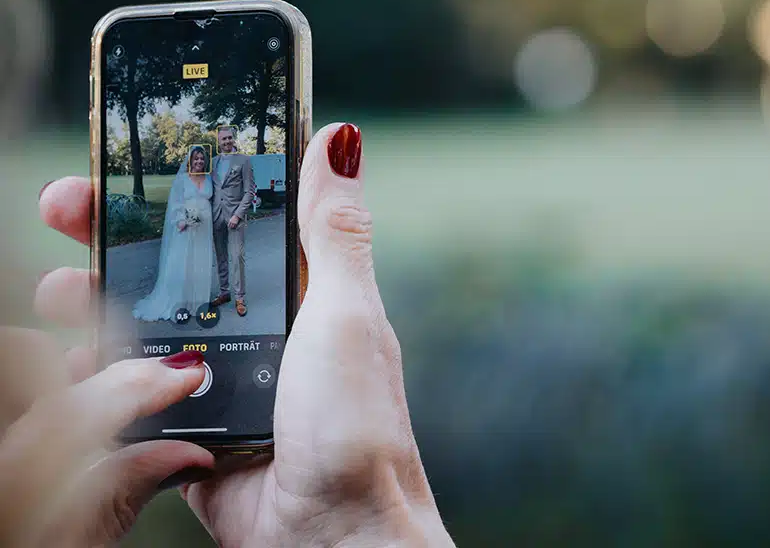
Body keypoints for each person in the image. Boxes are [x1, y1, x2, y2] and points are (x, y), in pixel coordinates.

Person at [7, 123, 455, 546]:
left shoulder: (239, 163)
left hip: (233, 222)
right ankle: (222, 296)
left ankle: (237, 298)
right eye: (214, 143)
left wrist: (353, 526)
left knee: (234, 265)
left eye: (222, 141)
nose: (218, 148)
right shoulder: (208, 171)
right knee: (213, 269)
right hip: (206, 225)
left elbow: (249, 192)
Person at [132, 146, 216, 322]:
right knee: (182, 263)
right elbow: (175, 203)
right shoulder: (182, 180)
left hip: (204, 229)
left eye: (202, 158)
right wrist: (182, 221)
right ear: (190, 161)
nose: (199, 161)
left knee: (200, 262)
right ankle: (178, 304)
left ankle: (197, 302)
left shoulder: (208, 178)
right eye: (196, 158)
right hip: (186, 227)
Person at [211, 126, 255, 317]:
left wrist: (238, 214)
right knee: (220, 256)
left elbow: (250, 190)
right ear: (218, 142)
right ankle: (224, 292)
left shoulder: (243, 160)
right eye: (223, 139)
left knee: (236, 257)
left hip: (235, 215)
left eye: (230, 138)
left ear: (233, 139)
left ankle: (239, 298)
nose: (227, 141)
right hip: (216, 215)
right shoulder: (212, 162)